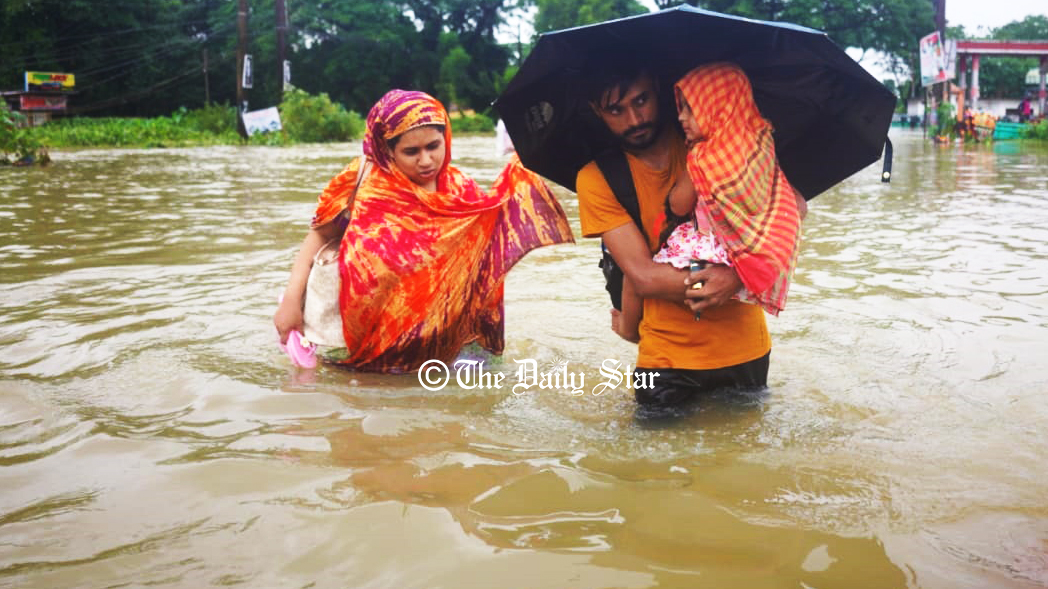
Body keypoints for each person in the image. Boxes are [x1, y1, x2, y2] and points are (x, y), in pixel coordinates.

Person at [274, 89, 574, 373]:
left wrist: (525, 168)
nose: (426, 160)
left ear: (446, 137)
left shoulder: (459, 188)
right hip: (372, 342)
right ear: (387, 150)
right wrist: (290, 303)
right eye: (411, 151)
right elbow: (319, 236)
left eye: (433, 146)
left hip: (450, 340)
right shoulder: (362, 185)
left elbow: (486, 247)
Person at [576, 56, 804, 410]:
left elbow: (792, 211)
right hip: (664, 358)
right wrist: (737, 279)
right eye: (616, 110)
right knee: (654, 463)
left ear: (656, 87)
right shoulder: (596, 178)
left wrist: (735, 278)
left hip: (746, 348)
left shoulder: (714, 136)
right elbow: (644, 277)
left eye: (640, 101)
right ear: (596, 110)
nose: (634, 120)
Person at [611, 63, 804, 347]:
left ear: (715, 109)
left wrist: (692, 160)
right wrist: (745, 272)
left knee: (633, 278)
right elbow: (791, 204)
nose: (681, 117)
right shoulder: (761, 146)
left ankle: (629, 329)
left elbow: (678, 205)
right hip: (751, 252)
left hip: (712, 250)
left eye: (690, 108)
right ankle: (703, 304)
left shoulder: (703, 158)